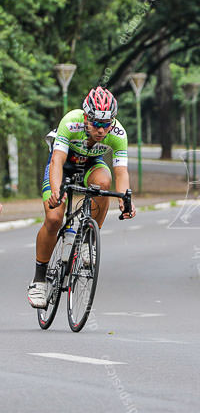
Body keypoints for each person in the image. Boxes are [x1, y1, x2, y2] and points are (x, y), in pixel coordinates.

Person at [27, 86, 136, 309]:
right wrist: (57, 190)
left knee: (104, 184)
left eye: (106, 124)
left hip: (91, 165)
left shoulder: (118, 133)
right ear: (86, 117)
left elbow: (120, 172)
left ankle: (88, 241)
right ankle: (39, 280)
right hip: (63, 165)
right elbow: (57, 160)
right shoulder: (71, 122)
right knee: (54, 218)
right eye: (96, 123)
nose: (101, 130)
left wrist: (125, 200)